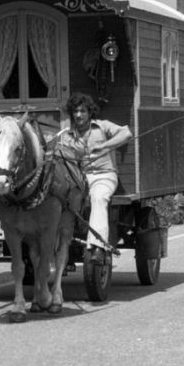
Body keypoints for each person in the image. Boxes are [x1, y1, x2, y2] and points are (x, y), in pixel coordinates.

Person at [59, 92, 132, 264]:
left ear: (90, 112)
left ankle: (97, 247)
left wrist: (104, 146)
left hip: (104, 176)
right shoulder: (66, 136)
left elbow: (127, 133)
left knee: (98, 198)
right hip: (79, 179)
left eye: (83, 111)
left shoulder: (102, 126)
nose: (78, 115)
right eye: (75, 111)